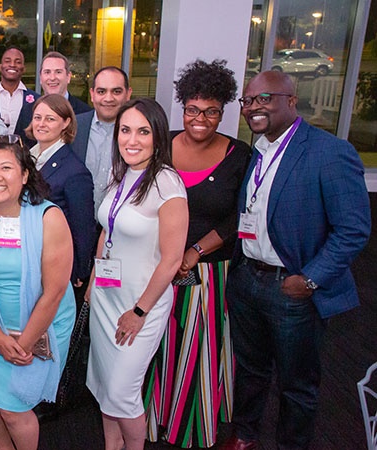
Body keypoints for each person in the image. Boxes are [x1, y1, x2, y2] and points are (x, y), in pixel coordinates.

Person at [221, 71, 370, 450]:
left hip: (292, 288)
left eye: (264, 98)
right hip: (247, 279)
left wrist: (309, 280)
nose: (254, 107)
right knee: (250, 369)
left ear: (291, 100)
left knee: (297, 382)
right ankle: (245, 434)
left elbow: (353, 229)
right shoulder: (257, 150)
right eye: (248, 101)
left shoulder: (328, 151)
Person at [141, 59, 251, 448]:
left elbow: (241, 217)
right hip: (155, 266)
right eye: (192, 109)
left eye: (211, 111)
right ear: (182, 107)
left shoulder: (240, 155)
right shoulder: (161, 144)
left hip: (207, 273)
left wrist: (194, 251)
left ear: (223, 111)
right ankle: (152, 420)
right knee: (155, 343)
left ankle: (191, 425)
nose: (200, 118)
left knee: (196, 349)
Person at [0, 137, 77, 450]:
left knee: (13, 409)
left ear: (24, 175)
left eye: (6, 167)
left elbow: (55, 291)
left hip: (40, 326)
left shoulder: (49, 219)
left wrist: (21, 345)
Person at [86, 98, 188, 450]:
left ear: (158, 137)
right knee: (103, 387)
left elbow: (172, 260)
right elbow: (107, 228)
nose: (132, 139)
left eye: (143, 131)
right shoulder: (123, 173)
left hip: (141, 304)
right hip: (106, 296)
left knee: (122, 392)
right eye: (125, 130)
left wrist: (140, 311)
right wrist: (96, 279)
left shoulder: (167, 185)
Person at [25, 94, 94, 291]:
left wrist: (79, 270)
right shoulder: (25, 159)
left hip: (54, 264)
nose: (41, 124)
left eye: (50, 119)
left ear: (66, 123)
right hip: (25, 259)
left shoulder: (75, 171)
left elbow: (82, 227)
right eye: (37, 117)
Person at [72, 66, 132, 216]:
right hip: (78, 224)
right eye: (101, 91)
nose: (108, 98)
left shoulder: (139, 134)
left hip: (121, 225)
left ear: (128, 94)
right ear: (92, 94)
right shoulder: (73, 128)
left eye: (116, 91)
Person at [0, 47, 40, 145]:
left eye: (18, 62)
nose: (12, 65)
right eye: (8, 61)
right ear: (0, 67)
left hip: (26, 157)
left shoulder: (36, 100)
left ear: (24, 68)